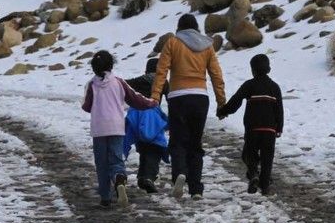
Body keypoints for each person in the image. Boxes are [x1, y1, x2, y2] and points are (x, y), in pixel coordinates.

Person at [151, 14, 227, 200]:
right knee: (195, 143)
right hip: (200, 97)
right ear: (196, 27)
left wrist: (155, 97)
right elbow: (216, 75)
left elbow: (161, 72)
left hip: (178, 97)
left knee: (177, 141)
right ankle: (196, 189)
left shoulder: (172, 43)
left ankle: (179, 174)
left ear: (179, 27)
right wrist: (221, 102)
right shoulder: (207, 46)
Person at [81, 51, 156, 208]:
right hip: (116, 127)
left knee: (101, 163)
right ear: (112, 65)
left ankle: (105, 197)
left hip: (99, 129)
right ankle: (119, 179)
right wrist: (151, 102)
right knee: (116, 159)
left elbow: (86, 106)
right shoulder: (119, 82)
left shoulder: (92, 85)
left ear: (93, 68)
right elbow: (135, 99)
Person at [217, 54, 284, 196]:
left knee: (249, 153)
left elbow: (236, 101)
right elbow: (279, 109)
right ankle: (265, 186)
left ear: (252, 70)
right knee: (267, 157)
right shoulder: (275, 87)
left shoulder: (249, 85)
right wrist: (279, 128)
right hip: (270, 129)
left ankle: (253, 174)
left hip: (253, 128)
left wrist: (223, 111)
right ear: (269, 68)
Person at [125, 58, 169, 194]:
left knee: (143, 147)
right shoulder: (163, 82)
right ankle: (148, 177)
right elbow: (171, 98)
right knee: (154, 147)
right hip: (153, 117)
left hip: (135, 116)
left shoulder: (138, 81)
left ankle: (142, 177)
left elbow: (123, 86)